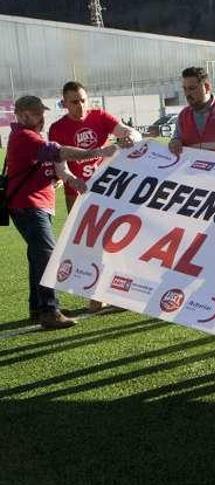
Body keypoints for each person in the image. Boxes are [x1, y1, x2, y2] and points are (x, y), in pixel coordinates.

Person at [6, 96, 117, 329]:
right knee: (47, 255)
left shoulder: (28, 136)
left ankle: (38, 307)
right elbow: (61, 153)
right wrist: (98, 151)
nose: (42, 117)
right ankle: (49, 310)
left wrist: (58, 177)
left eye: (41, 112)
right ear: (23, 115)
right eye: (36, 113)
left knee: (38, 256)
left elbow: (44, 165)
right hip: (29, 206)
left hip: (33, 205)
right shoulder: (25, 137)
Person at [49, 81, 141, 213]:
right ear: (65, 103)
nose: (80, 106)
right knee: (79, 232)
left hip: (107, 187)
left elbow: (130, 132)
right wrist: (71, 180)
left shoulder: (100, 116)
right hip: (76, 191)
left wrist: (131, 137)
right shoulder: (57, 128)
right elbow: (60, 167)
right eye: (75, 102)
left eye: (83, 100)